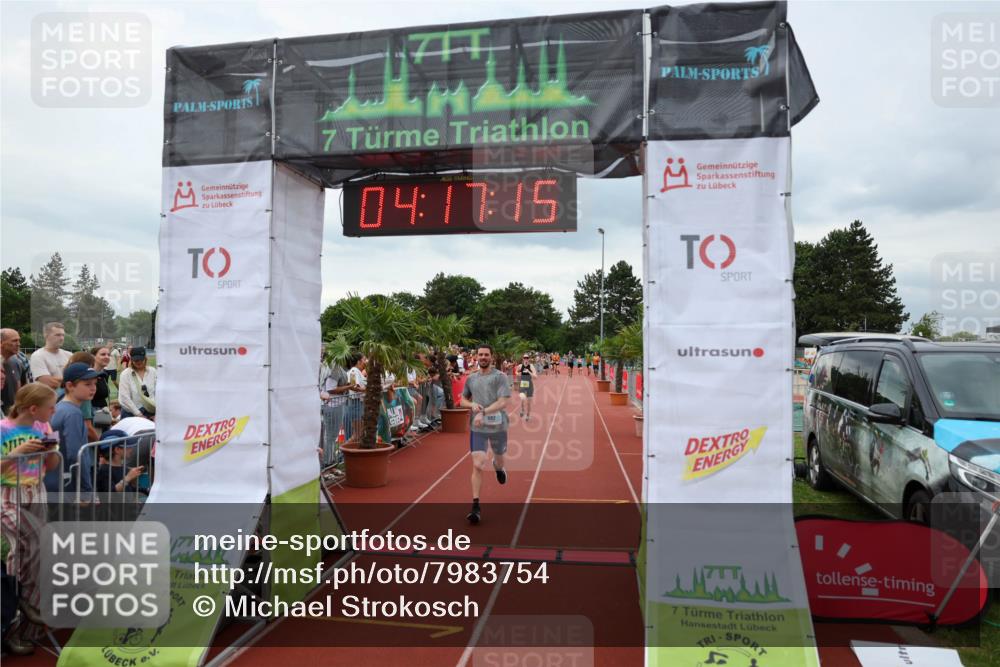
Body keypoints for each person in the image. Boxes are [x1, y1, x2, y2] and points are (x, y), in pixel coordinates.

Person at [0, 383, 59, 653]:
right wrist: (17, 453)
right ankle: (28, 603)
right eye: (51, 407)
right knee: (37, 542)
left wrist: (51, 450)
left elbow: (52, 464)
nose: (54, 410)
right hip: (8, 494)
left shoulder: (43, 427)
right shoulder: (3, 428)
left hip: (36, 490)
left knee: (24, 554)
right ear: (33, 408)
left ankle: (20, 628)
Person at [460, 344, 511, 525]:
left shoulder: (500, 377)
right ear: (476, 356)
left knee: (498, 459)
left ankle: (498, 468)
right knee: (478, 464)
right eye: (480, 354)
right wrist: (471, 405)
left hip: (498, 426)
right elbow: (462, 399)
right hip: (478, 427)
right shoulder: (471, 378)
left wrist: (484, 412)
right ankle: (475, 506)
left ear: (491, 357)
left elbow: (503, 401)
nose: (483, 357)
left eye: (486, 355)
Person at [46, 363, 99, 497]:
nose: (93, 388)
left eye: (94, 383)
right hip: (67, 484)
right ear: (70, 386)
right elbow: (77, 454)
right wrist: (86, 489)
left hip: (54, 480)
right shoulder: (73, 413)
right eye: (87, 384)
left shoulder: (59, 407)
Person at [28, 322, 71, 390]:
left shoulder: (69, 355)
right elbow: (47, 382)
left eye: (63, 335)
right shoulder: (37, 356)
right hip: (48, 399)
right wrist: (72, 381)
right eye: (58, 335)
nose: (62, 338)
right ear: (46, 335)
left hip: (69, 399)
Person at [118, 347, 155, 419]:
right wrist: (138, 414)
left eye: (141, 359)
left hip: (151, 412)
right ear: (131, 360)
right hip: (131, 414)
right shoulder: (125, 374)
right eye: (136, 360)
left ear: (145, 358)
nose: (138, 362)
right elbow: (124, 397)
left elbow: (158, 393)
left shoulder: (153, 371)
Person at [1, 329, 31, 416]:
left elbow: (22, 388)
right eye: (14, 341)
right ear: (1, 342)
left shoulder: (18, 361)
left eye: (19, 340)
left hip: (12, 414)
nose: (18, 344)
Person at [515, 353, 537, 421]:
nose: (526, 359)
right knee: (522, 398)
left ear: (529, 359)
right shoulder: (520, 366)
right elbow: (516, 372)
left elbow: (535, 377)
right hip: (522, 384)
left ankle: (528, 415)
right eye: (525, 358)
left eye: (527, 358)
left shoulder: (531, 366)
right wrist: (518, 374)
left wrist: (529, 372)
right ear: (523, 359)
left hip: (529, 385)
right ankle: (522, 409)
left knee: (528, 402)